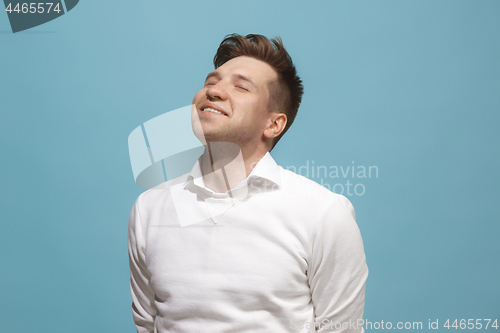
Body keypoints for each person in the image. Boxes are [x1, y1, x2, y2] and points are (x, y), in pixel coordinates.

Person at [128, 33, 368, 333]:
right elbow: (146, 324)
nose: (213, 92)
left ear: (273, 124)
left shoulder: (323, 213)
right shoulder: (149, 208)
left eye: (240, 87)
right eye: (211, 82)